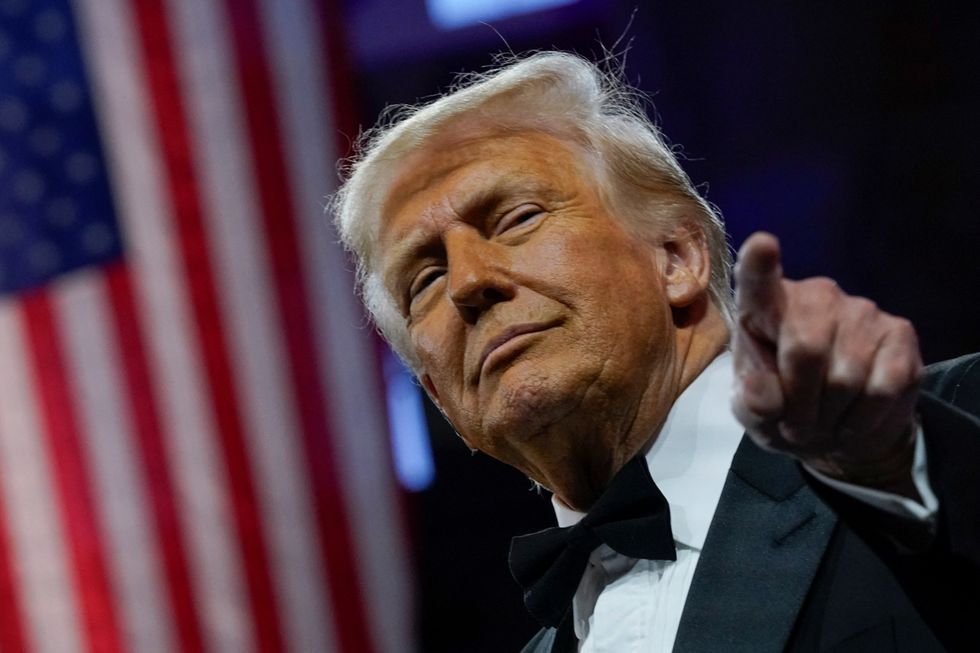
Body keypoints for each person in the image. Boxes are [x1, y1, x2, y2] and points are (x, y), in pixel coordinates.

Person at [330, 52, 979, 652]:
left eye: (518, 217)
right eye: (425, 278)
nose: (468, 281)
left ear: (677, 258)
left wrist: (898, 463)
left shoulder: (932, 433)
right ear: (439, 394)